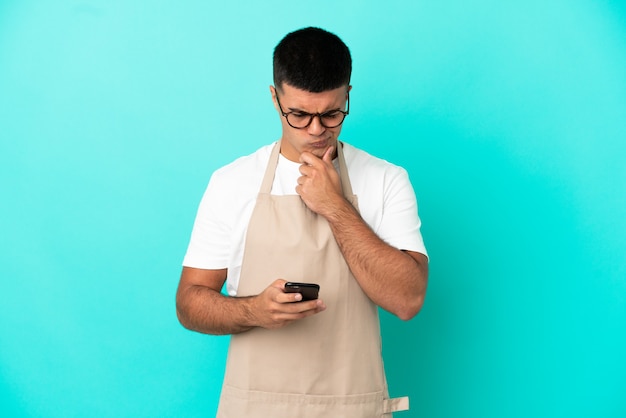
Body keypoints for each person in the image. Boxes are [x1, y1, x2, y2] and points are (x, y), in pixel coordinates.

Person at [176, 27, 429, 417]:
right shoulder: (231, 182)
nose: (316, 130)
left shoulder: (385, 179)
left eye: (331, 113)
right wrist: (254, 311)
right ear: (275, 98)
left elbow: (408, 299)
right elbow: (189, 303)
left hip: (352, 407)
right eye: (299, 114)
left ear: (347, 95)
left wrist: (336, 206)